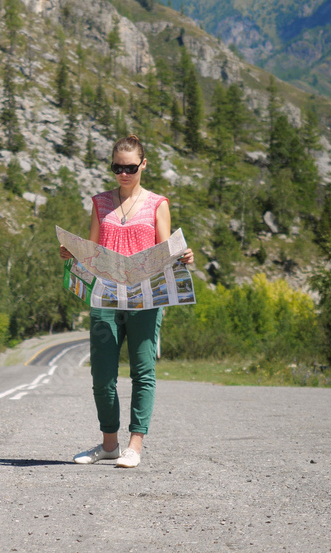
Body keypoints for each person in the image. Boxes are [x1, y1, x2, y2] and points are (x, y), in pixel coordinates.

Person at [59, 135, 194, 468]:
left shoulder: (158, 204)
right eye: (117, 167)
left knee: (142, 371)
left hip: (145, 299)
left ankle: (135, 445)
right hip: (105, 297)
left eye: (130, 168)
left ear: (143, 165)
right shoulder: (100, 202)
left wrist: (183, 257)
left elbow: (166, 252)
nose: (123, 174)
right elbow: (91, 250)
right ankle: (109, 445)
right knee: (102, 375)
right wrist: (72, 254)